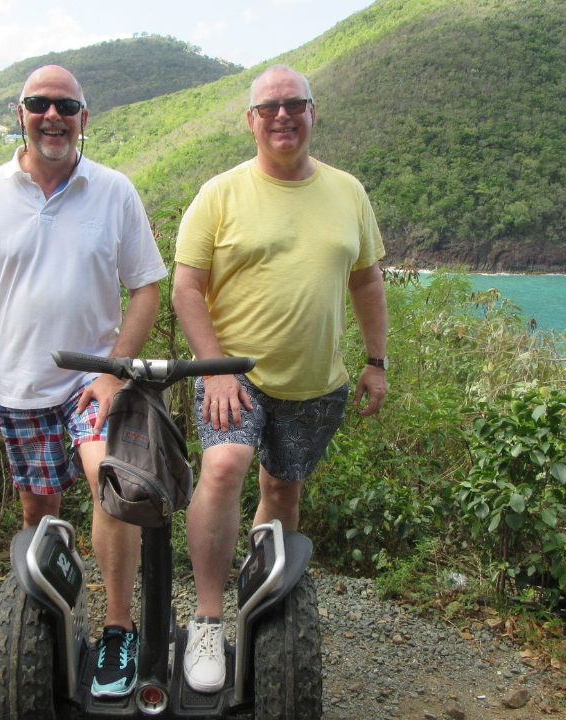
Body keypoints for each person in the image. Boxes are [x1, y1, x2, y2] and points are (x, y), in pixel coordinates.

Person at [0, 65, 167, 699]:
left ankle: (118, 632)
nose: (52, 116)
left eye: (66, 106)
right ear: (21, 113)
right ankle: (47, 626)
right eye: (39, 104)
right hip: (17, 390)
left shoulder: (115, 191)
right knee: (41, 516)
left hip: (91, 385)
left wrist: (113, 371)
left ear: (84, 119)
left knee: (112, 486)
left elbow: (147, 286)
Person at [171, 64, 390, 693]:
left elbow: (367, 279)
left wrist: (377, 362)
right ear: (250, 121)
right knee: (223, 467)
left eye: (295, 104)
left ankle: (263, 614)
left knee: (282, 491)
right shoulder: (219, 194)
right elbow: (187, 287)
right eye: (268, 107)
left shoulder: (348, 192)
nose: (282, 116)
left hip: (317, 382)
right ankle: (208, 619)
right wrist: (213, 369)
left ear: (314, 113)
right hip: (232, 377)